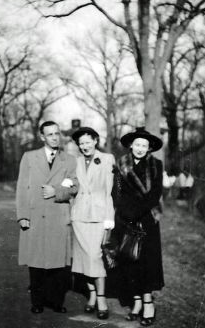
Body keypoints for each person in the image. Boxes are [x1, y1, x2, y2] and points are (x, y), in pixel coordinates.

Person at [16, 121, 78, 314]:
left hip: (58, 217)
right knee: (36, 262)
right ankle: (37, 302)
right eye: (49, 134)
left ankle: (55, 301)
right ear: (42, 137)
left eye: (57, 134)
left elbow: (74, 187)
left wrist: (57, 192)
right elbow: (22, 188)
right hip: (35, 216)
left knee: (57, 263)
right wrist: (23, 215)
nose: (54, 137)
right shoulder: (29, 157)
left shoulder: (69, 160)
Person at [112, 127, 164, 326]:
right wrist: (126, 213)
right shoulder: (121, 165)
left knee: (147, 263)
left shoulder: (156, 165)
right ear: (131, 145)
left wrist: (137, 213)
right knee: (129, 260)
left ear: (149, 147)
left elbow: (155, 194)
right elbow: (117, 192)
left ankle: (148, 303)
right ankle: (136, 303)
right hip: (125, 219)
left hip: (147, 218)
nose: (140, 148)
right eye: (137, 144)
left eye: (144, 145)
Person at [71, 127, 115, 320]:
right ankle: (91, 296)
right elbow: (72, 185)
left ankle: (102, 299)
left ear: (95, 141)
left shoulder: (107, 159)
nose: (85, 146)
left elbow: (110, 191)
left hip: (98, 214)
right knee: (83, 259)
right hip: (79, 215)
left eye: (88, 142)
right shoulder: (76, 161)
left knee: (94, 256)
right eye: (81, 143)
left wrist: (109, 218)